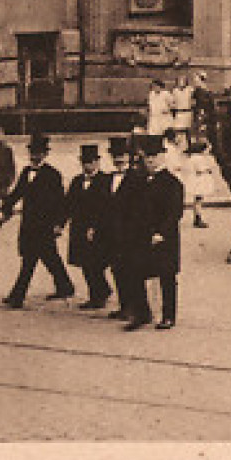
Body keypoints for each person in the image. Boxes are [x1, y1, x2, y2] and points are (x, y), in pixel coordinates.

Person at [0, 134, 73, 308]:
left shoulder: (53, 175)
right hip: (29, 225)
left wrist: (59, 224)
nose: (34, 156)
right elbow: (17, 194)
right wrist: (4, 211)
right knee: (50, 258)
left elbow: (61, 203)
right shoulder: (25, 172)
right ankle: (65, 286)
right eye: (32, 153)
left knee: (30, 261)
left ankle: (17, 296)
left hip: (45, 226)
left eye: (38, 153)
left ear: (45, 155)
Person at [138, 135, 186, 330]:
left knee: (166, 276)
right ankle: (145, 312)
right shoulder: (140, 181)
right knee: (143, 273)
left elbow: (175, 212)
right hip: (143, 235)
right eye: (147, 157)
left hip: (164, 238)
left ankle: (168, 315)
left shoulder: (172, 183)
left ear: (162, 157)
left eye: (154, 156)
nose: (150, 161)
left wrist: (161, 232)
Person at [64, 143, 112, 310]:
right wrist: (60, 223)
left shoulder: (105, 180)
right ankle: (99, 292)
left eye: (91, 162)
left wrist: (95, 226)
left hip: (98, 229)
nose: (88, 166)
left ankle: (99, 295)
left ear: (97, 162)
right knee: (85, 263)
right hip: (79, 227)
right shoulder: (77, 181)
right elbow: (68, 204)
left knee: (96, 263)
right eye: (85, 162)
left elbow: (106, 207)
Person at [103, 135, 144, 322]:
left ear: (129, 158)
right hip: (112, 232)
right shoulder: (107, 178)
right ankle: (124, 305)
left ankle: (135, 307)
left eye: (122, 156)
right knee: (117, 269)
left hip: (130, 232)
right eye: (115, 156)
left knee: (131, 269)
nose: (119, 160)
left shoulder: (137, 178)